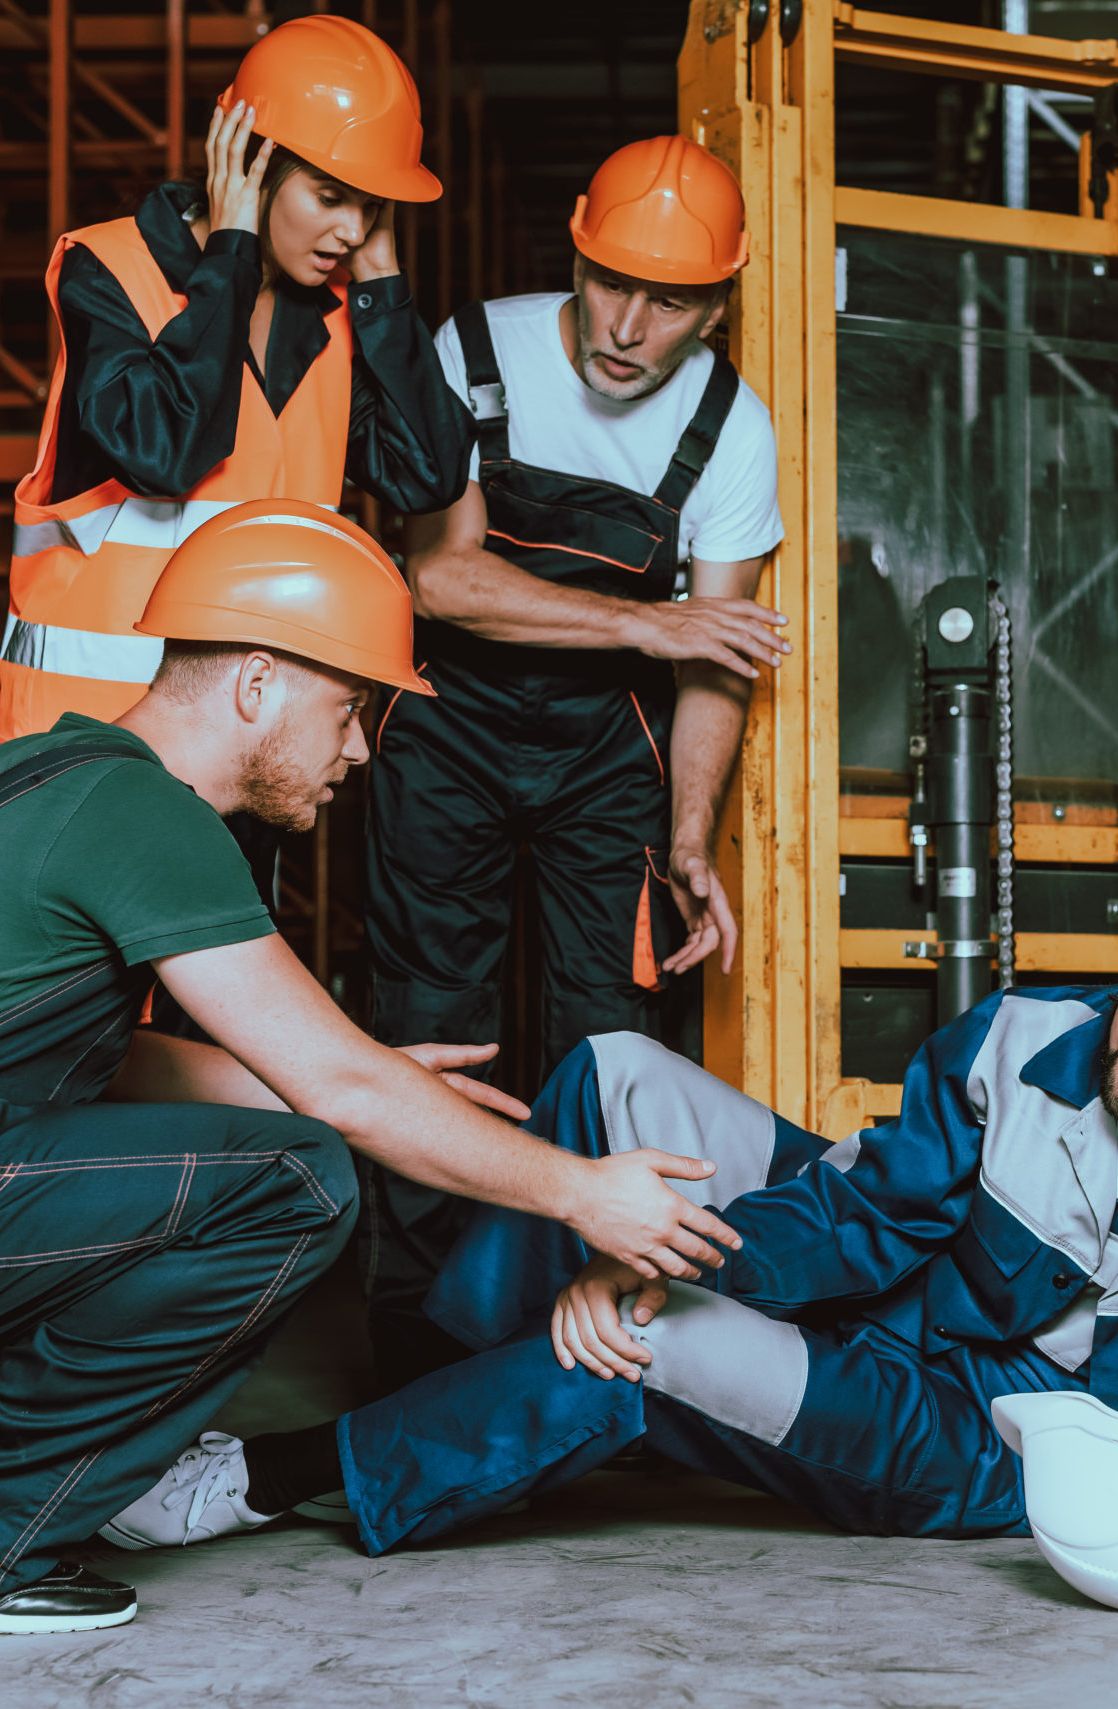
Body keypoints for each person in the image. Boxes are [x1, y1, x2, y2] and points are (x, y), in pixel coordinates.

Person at [0, 501, 741, 1635]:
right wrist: (579, 1187)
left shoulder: (63, 775)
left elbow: (106, 1062)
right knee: (297, 1178)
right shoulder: (146, 814)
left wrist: (367, 1077)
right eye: (352, 709)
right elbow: (342, 1100)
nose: (361, 750)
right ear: (259, 682)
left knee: (224, 1142)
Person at [103, 868, 1118, 1556]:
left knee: (649, 1340)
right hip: (892, 1296)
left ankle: (278, 1474)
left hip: (980, 1439)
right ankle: (471, 1391)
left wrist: (643, 1282)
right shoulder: (1028, 1036)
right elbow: (870, 1212)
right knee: (615, 1070)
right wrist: (644, 1239)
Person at [356, 135, 789, 1389]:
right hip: (443, 730)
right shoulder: (471, 352)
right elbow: (438, 576)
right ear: (578, 251)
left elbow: (717, 663)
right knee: (437, 1026)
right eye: (609, 281)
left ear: (716, 302)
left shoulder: (732, 428)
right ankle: (414, 1345)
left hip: (612, 757)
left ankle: (582, 1336)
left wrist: (690, 837)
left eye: (668, 300)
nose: (626, 324)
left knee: (611, 1041)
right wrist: (647, 621)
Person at [0, 13, 470, 741]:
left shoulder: (339, 319)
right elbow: (167, 452)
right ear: (250, 162)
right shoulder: (110, 271)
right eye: (330, 195)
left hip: (250, 745)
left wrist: (383, 280)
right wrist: (234, 247)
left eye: (371, 207)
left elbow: (428, 476)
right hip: (89, 741)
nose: (353, 230)